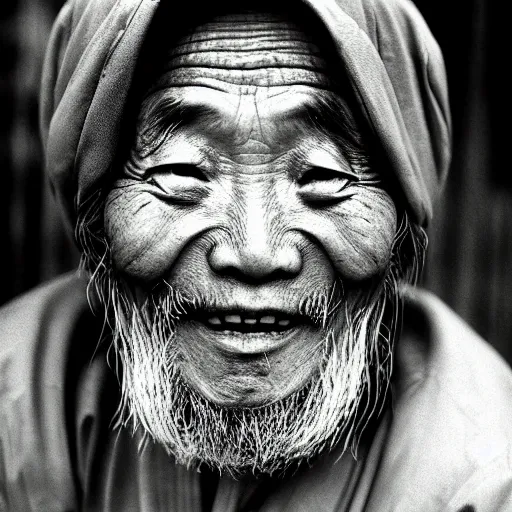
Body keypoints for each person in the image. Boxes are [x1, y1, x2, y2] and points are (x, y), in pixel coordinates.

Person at [1, 0, 511, 510]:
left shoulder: (483, 479)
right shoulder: (14, 405)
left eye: (323, 176)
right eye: (181, 171)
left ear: (401, 219)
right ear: (95, 220)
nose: (254, 252)